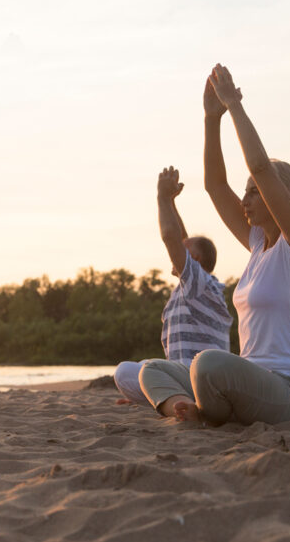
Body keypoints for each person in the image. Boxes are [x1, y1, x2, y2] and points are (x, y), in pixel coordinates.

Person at [140, 64, 290, 426]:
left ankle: (208, 413)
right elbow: (214, 185)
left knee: (208, 363)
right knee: (153, 370)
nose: (245, 199)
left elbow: (259, 165)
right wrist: (212, 119)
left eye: (254, 192)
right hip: (253, 381)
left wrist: (234, 105)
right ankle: (187, 409)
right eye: (246, 192)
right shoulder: (258, 245)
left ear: (283, 197)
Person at [113, 167, 232, 405]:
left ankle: (164, 394)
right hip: (183, 375)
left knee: (124, 371)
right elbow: (180, 238)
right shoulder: (192, 288)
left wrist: (160, 197)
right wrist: (171, 202)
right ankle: (158, 393)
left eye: (184, 251)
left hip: (200, 378)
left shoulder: (200, 285)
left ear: (195, 261)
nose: (175, 252)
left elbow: (171, 236)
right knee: (137, 368)